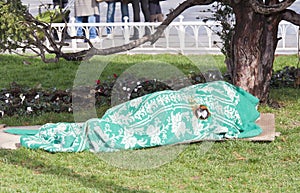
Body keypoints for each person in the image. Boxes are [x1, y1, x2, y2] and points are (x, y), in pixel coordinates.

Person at [19, 81, 262, 152]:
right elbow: (247, 129)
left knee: (154, 110)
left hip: (174, 105)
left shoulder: (227, 101)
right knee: (155, 105)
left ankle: (106, 126)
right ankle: (108, 125)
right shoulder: (223, 93)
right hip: (169, 101)